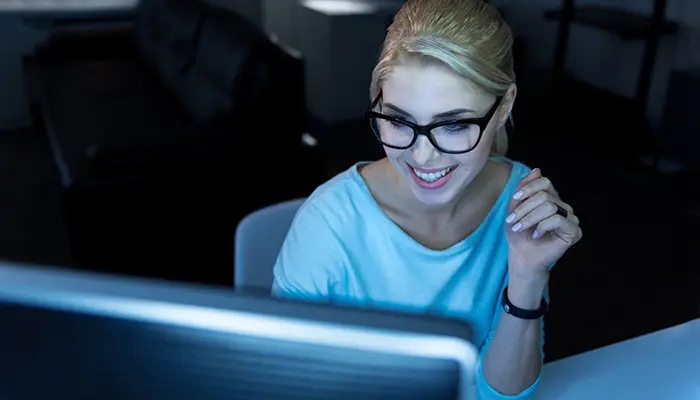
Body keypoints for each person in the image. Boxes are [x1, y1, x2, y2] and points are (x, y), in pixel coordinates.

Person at [272, 0, 582, 398]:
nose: (422, 157)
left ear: (504, 107)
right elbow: (286, 385)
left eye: (453, 124)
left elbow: (502, 396)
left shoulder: (522, 205)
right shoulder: (327, 224)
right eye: (399, 121)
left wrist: (527, 276)